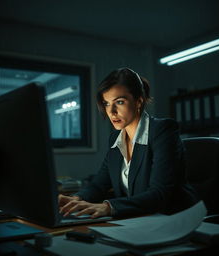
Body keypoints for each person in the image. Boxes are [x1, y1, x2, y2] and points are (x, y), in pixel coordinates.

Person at [58, 67, 199, 218]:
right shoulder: (116, 139)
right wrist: (76, 199)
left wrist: (108, 207)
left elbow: (159, 194)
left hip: (175, 218)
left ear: (138, 101)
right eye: (106, 103)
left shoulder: (163, 130)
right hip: (140, 220)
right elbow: (99, 184)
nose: (111, 111)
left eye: (119, 102)